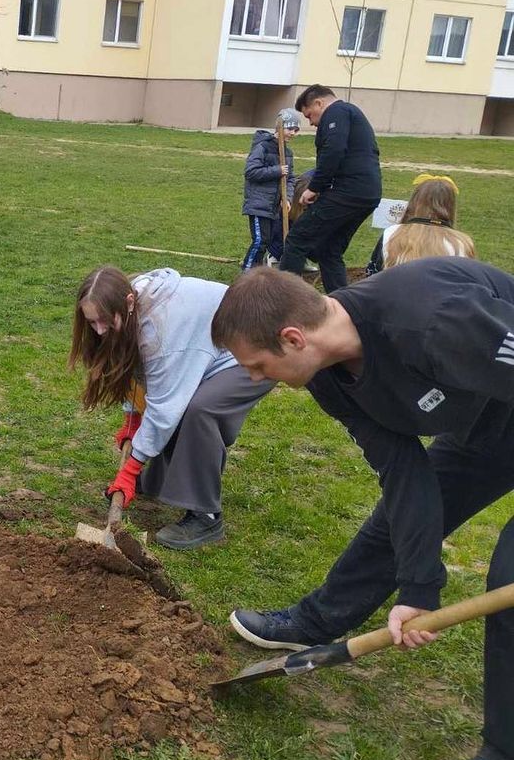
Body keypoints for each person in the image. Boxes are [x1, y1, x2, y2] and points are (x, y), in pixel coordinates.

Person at [210, 260, 514, 760]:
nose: (254, 378)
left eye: (257, 365)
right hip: (482, 427)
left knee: (509, 576)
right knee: (389, 527)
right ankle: (318, 619)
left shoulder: (433, 320)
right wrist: (420, 587)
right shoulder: (329, 379)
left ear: (293, 337)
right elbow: (403, 472)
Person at [69, 266, 273, 550]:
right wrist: (132, 417)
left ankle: (206, 516)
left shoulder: (163, 330)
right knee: (180, 406)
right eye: (92, 322)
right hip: (206, 354)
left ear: (128, 302)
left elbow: (165, 408)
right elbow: (139, 370)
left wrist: (130, 470)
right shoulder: (130, 307)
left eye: (104, 320)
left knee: (199, 411)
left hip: (256, 354)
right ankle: (159, 481)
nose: (99, 330)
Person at [279, 84, 381, 292]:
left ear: (319, 103)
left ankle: (284, 300)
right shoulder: (350, 114)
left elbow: (333, 151)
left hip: (348, 192)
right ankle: (341, 302)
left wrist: (314, 188)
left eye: (310, 115)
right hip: (367, 193)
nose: (312, 123)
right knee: (329, 249)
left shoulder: (338, 112)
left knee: (297, 239)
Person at [365, 174, 475, 276]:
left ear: (414, 202)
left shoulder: (391, 233)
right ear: (451, 207)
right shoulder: (463, 242)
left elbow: (372, 275)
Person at [241, 108, 299, 271]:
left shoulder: (287, 153)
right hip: (259, 204)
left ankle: (258, 271)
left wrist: (287, 197)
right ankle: (247, 272)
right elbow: (251, 172)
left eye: (296, 130)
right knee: (260, 241)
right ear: (279, 128)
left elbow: (290, 178)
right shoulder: (262, 147)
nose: (293, 133)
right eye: (289, 128)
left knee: (268, 241)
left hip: (273, 206)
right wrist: (277, 170)